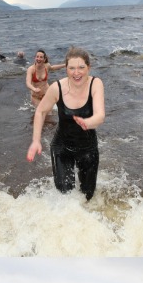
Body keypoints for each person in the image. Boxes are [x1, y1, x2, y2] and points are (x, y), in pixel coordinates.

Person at [27, 47, 106, 201]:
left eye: (81, 67)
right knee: (65, 196)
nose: (77, 72)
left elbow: (100, 116)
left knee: (88, 195)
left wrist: (87, 122)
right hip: (62, 147)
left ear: (88, 67)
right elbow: (41, 111)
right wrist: (36, 141)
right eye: (72, 68)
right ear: (66, 69)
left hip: (88, 148)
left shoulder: (95, 84)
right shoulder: (57, 88)